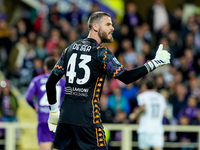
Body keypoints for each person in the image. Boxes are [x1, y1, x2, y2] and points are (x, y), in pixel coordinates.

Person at [46, 11, 171, 150]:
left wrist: (53, 112)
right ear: (95, 27)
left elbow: (50, 82)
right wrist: (154, 63)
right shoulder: (101, 53)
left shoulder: (69, 49)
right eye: (108, 24)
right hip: (87, 119)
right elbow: (126, 77)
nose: (112, 28)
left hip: (65, 119)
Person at [25, 56, 65, 150]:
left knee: (45, 147)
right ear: (56, 67)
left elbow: (28, 97)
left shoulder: (37, 80)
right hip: (58, 119)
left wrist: (35, 107)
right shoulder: (62, 82)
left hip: (44, 119)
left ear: (45, 67)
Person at [129, 79, 167, 150]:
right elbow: (164, 112)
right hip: (157, 129)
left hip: (145, 129)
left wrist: (135, 115)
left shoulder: (143, 96)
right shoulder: (160, 97)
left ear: (145, 86)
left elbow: (143, 107)